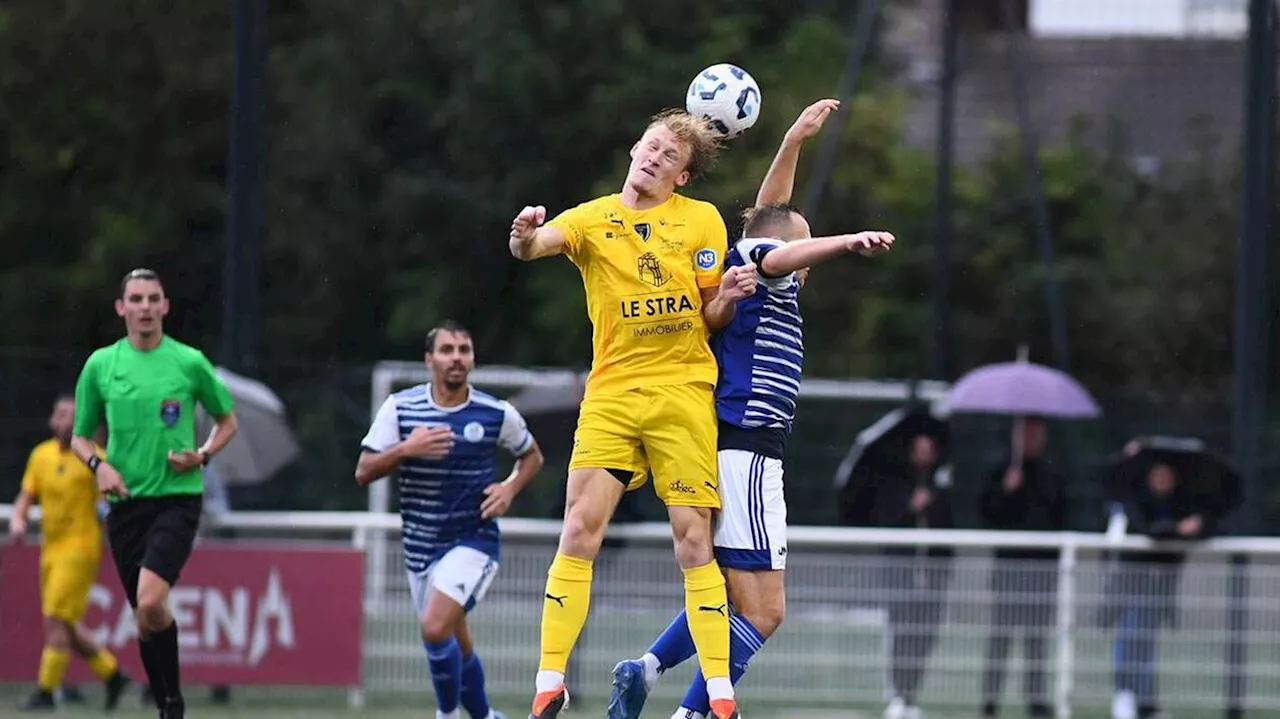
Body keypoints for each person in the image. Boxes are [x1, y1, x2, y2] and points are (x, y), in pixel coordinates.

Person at [604, 99, 896, 719]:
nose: (806, 251)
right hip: (748, 454)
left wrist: (791, 141)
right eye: (806, 243)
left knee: (734, 601)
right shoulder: (763, 270)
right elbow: (780, 245)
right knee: (765, 612)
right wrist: (847, 242)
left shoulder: (740, 263)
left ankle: (647, 668)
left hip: (732, 448)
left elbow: (772, 220)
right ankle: (687, 711)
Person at [508, 108, 761, 719]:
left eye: (669, 156)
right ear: (633, 149)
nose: (654, 158)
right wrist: (521, 234)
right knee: (577, 530)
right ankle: (549, 682)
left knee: (693, 540)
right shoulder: (592, 219)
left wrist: (724, 298)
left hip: (681, 394)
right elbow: (532, 247)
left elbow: (710, 316)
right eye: (650, 147)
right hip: (613, 396)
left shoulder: (701, 222)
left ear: (683, 176)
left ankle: (719, 693)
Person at [70, 268, 240, 719]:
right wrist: (99, 466)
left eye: (153, 299)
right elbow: (79, 437)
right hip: (124, 507)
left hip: (177, 499)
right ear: (121, 308)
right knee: (146, 619)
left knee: (149, 600)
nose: (145, 307)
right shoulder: (101, 366)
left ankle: (173, 702)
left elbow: (228, 422)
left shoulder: (188, 362)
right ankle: (168, 705)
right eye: (136, 299)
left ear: (165, 307)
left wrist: (201, 456)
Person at [355, 321, 545, 719]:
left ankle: (446, 714)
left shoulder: (495, 413)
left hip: (473, 540)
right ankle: (484, 715)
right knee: (454, 639)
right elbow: (364, 470)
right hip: (420, 547)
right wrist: (408, 448)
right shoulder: (400, 408)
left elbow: (532, 457)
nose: (456, 357)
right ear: (430, 360)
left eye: (464, 349)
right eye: (447, 350)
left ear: (472, 359)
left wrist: (509, 488)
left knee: (434, 627)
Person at [9, 393, 132, 712]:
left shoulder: (95, 458)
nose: (65, 420)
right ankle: (113, 674)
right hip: (50, 549)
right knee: (64, 624)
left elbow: (111, 503)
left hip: (80, 549)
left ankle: (46, 692)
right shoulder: (41, 455)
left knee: (56, 620)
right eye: (60, 413)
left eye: (72, 415)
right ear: (52, 419)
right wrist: (19, 519)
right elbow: (26, 494)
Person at [1103, 461, 1211, 719]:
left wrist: (1189, 528)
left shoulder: (1180, 504)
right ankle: (1125, 694)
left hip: (1159, 584)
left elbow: (1200, 529)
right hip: (1131, 582)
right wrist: (1176, 529)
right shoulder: (1135, 499)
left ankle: (1146, 701)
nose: (1162, 480)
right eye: (1157, 474)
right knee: (1129, 638)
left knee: (1147, 643)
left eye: (1167, 474)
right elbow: (1147, 529)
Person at [977, 417, 1066, 719]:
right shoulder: (1001, 471)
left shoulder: (1052, 475)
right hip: (1007, 570)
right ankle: (990, 700)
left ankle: (1036, 700)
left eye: (1035, 434)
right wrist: (1006, 490)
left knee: (1037, 641)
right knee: (1000, 639)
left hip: (1041, 572)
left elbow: (1061, 519)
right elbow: (987, 515)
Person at [871, 434, 954, 719]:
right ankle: (897, 693)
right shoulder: (895, 483)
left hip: (932, 576)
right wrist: (910, 507)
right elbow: (884, 519)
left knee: (924, 636)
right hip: (902, 573)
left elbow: (949, 531)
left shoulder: (941, 486)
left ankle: (912, 694)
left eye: (928, 449)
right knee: (901, 633)